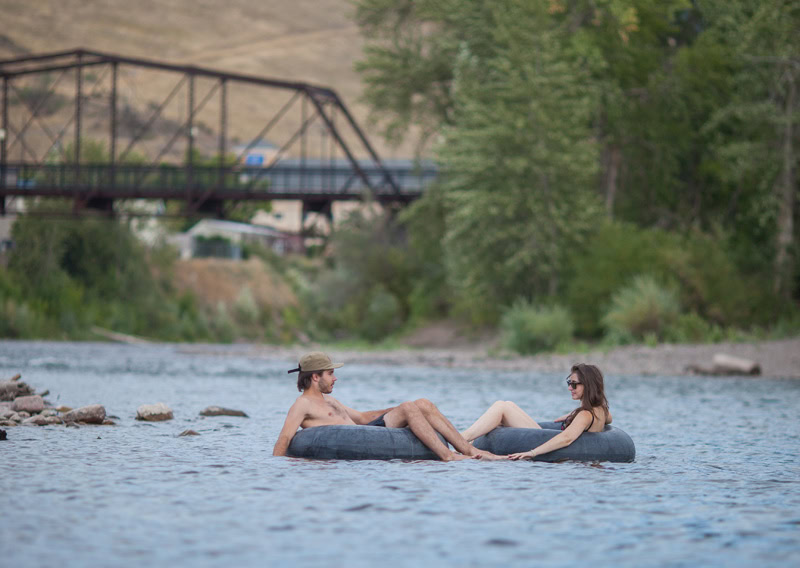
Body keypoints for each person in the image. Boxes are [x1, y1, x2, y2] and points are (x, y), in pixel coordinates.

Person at [272, 352, 495, 461]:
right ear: (314, 377)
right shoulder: (302, 405)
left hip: (369, 433)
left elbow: (361, 417)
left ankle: (469, 450)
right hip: (355, 441)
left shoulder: (329, 400)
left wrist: (393, 409)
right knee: (409, 407)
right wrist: (277, 471)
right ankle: (448, 456)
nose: (335, 378)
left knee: (422, 404)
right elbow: (284, 439)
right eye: (330, 374)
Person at [460, 363, 612, 460]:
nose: (569, 388)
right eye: (569, 383)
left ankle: (458, 439)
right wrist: (574, 413)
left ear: (588, 385)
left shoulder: (585, 415)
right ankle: (465, 443)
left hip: (542, 443)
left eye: (574, 384)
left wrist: (532, 453)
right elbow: (609, 419)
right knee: (508, 404)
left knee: (501, 406)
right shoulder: (601, 411)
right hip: (549, 438)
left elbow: (566, 438)